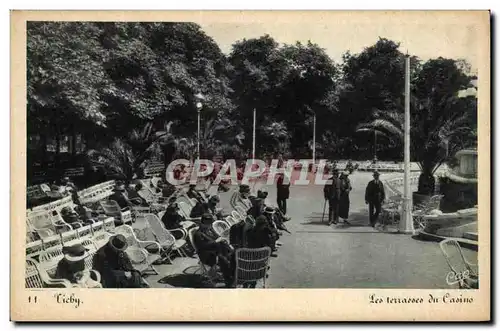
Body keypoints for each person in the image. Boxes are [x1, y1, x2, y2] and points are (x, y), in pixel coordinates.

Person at [192, 213, 235, 287]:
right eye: (209, 224)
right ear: (203, 224)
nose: (210, 225)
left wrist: (222, 239)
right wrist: (215, 241)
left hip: (216, 250)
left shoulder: (210, 230)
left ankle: (231, 273)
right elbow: (202, 246)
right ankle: (228, 277)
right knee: (223, 259)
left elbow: (217, 237)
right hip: (206, 254)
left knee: (231, 255)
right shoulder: (198, 234)